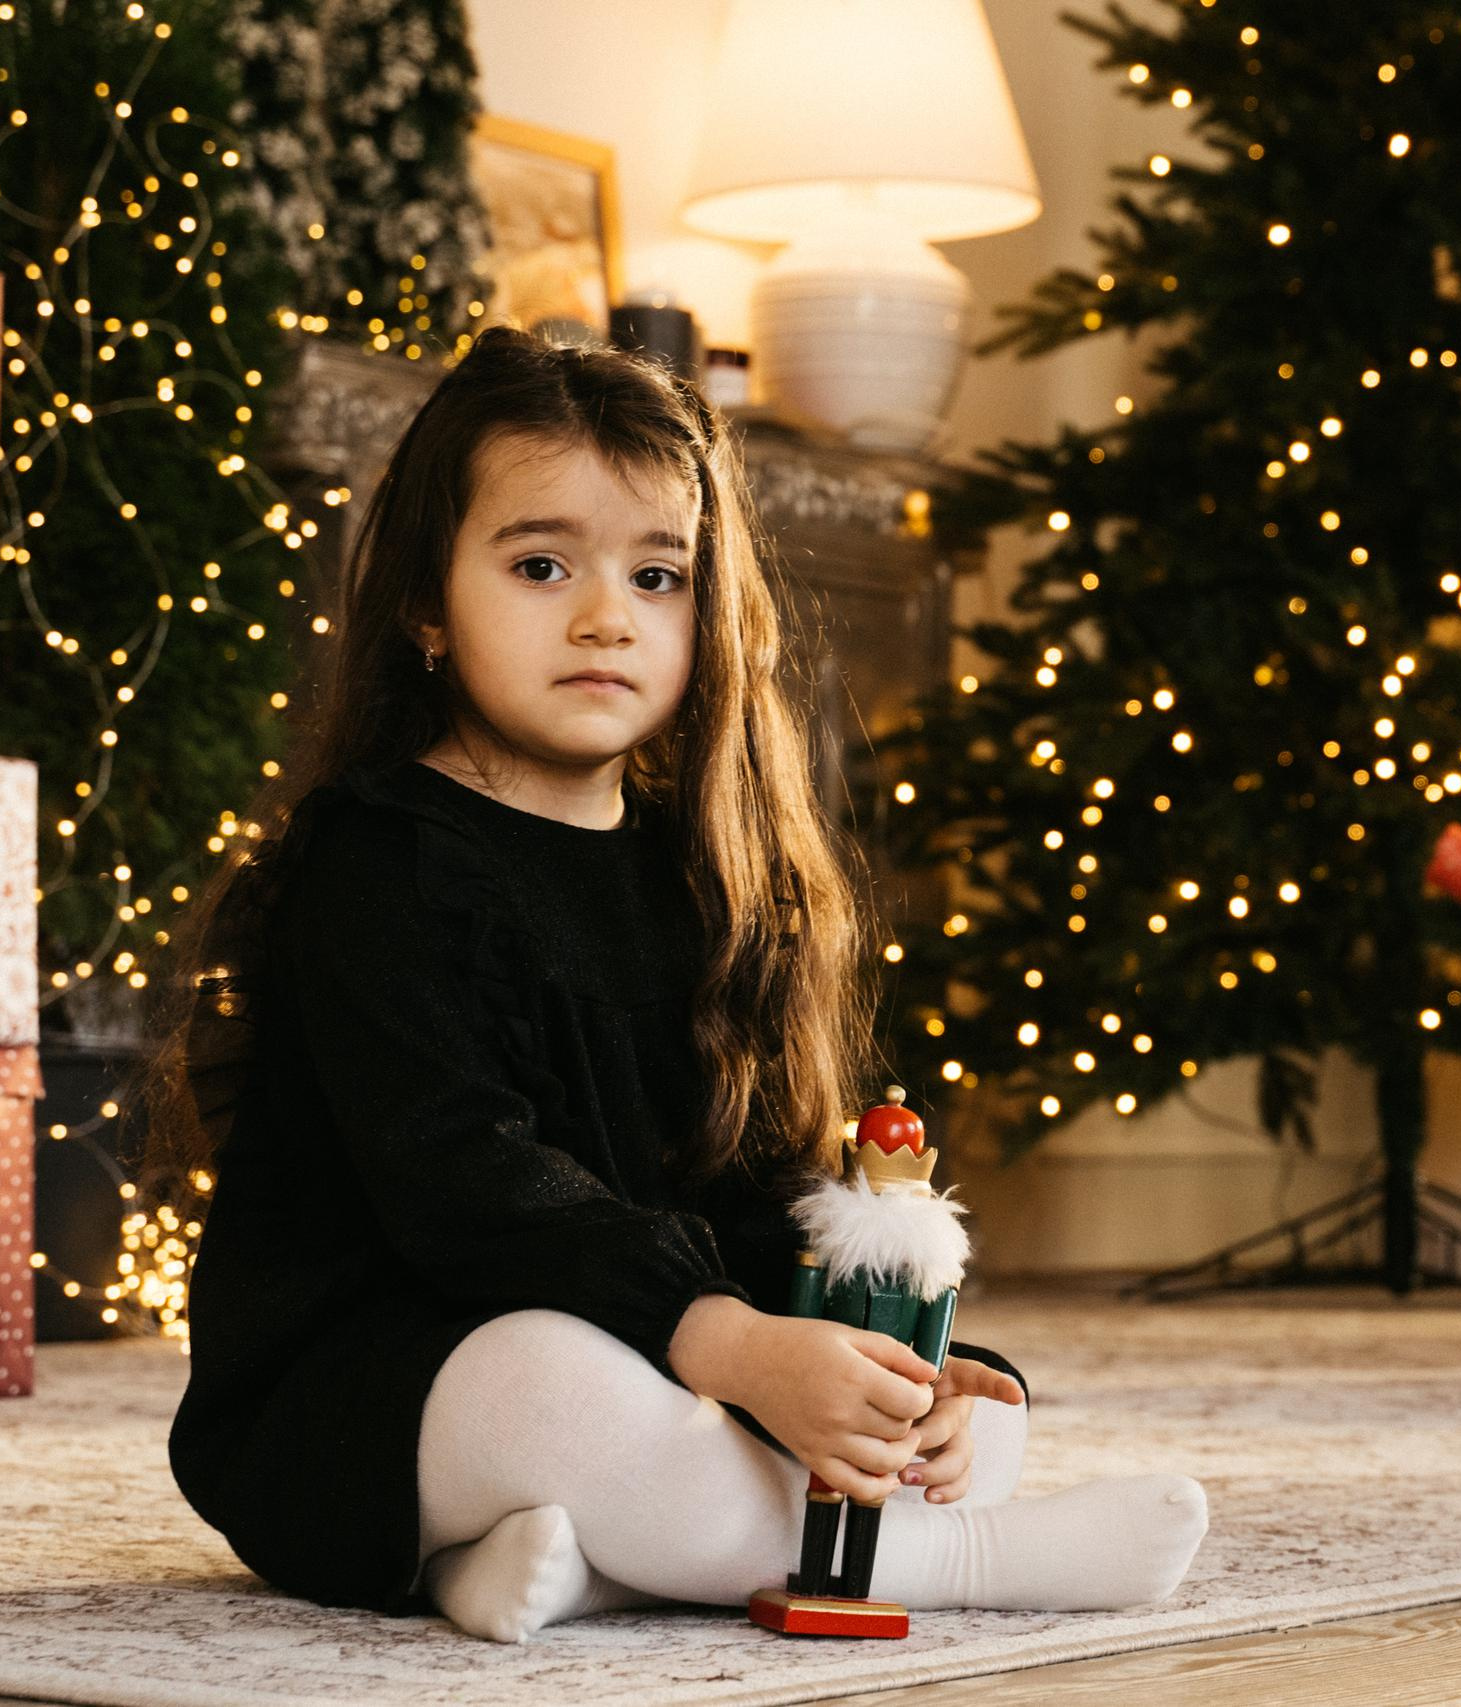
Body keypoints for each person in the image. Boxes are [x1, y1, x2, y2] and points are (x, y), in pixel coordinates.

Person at [135, 327, 1208, 1644]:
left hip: (648, 1355)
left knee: (966, 1421)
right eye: (541, 565)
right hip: (367, 1395)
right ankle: (954, 1558)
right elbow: (467, 1190)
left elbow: (752, 1188)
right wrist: (728, 1346)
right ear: (424, 601)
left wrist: (873, 1364)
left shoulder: (698, 878)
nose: (607, 617)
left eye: (658, 576)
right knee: (555, 1382)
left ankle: (566, 1566)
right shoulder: (381, 861)